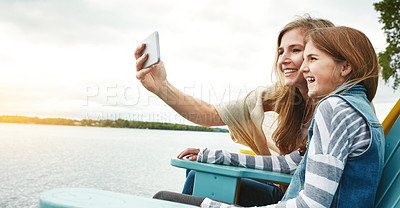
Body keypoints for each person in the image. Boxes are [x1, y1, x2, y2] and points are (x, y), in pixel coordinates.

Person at [156, 26, 384, 207]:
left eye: (311, 58)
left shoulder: (333, 108)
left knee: (163, 199)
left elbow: (312, 204)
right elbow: (291, 163)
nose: (304, 67)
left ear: (345, 67)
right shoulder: (358, 108)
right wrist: (214, 155)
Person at [136, 15, 334, 206]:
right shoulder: (280, 96)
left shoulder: (335, 110)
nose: (283, 60)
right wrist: (161, 87)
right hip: (283, 194)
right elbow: (210, 113)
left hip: (291, 201)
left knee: (185, 184)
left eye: (295, 50)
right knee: (197, 173)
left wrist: (215, 157)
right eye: (281, 52)